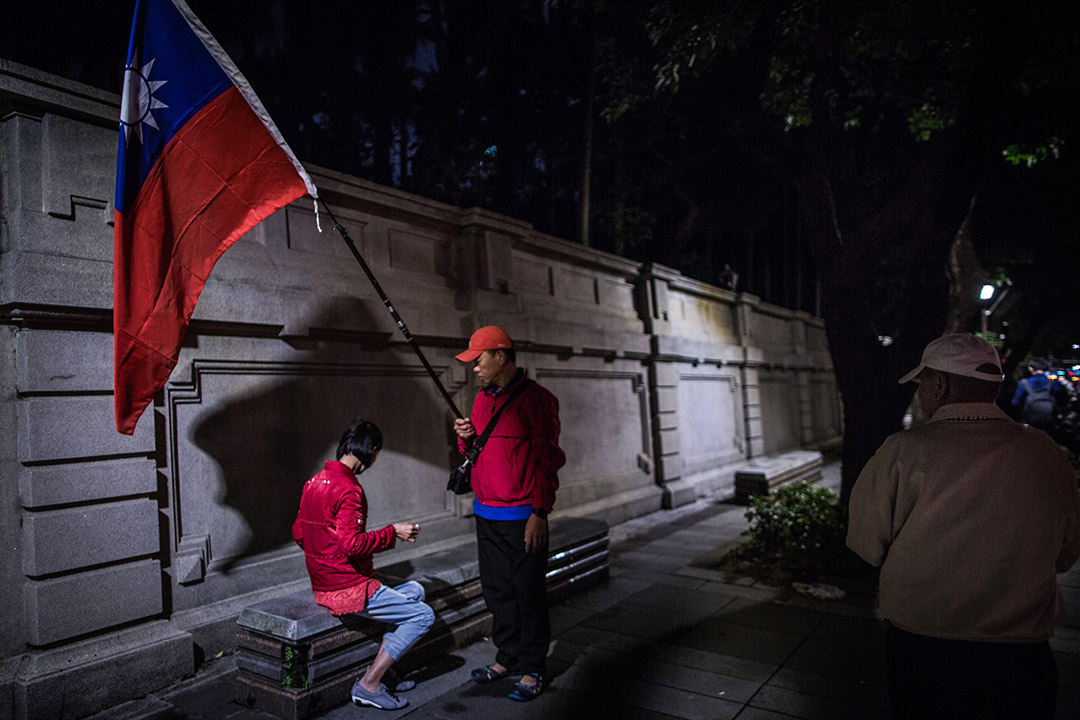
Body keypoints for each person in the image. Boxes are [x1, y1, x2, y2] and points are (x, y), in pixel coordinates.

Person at [847, 333, 1080, 719]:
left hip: (924, 647)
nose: (919, 395)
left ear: (938, 385)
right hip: (1022, 654)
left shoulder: (902, 452)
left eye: (921, 384)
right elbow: (1068, 549)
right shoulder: (1045, 451)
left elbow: (866, 544)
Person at [452, 325, 566, 702]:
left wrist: (540, 511)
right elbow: (476, 453)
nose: (475, 368)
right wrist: (465, 437)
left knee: (529, 593)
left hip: (522, 516)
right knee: (497, 590)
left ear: (501, 356)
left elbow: (547, 459)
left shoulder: (538, 400)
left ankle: (533, 666)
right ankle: (508, 657)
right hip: (486, 512)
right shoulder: (482, 400)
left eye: (479, 360)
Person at [292, 418, 435, 711]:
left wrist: (327, 555)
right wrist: (392, 531)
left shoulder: (314, 482)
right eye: (376, 453)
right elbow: (352, 544)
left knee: (416, 591)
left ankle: (386, 673)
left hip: (325, 583)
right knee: (423, 616)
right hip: (347, 587)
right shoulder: (349, 489)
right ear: (371, 450)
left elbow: (299, 533)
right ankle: (369, 684)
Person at [1012, 356, 1068, 431]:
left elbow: (1015, 402)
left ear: (1031, 368)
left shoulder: (1024, 383)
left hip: (1029, 421)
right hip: (1050, 421)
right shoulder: (1053, 382)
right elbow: (1062, 399)